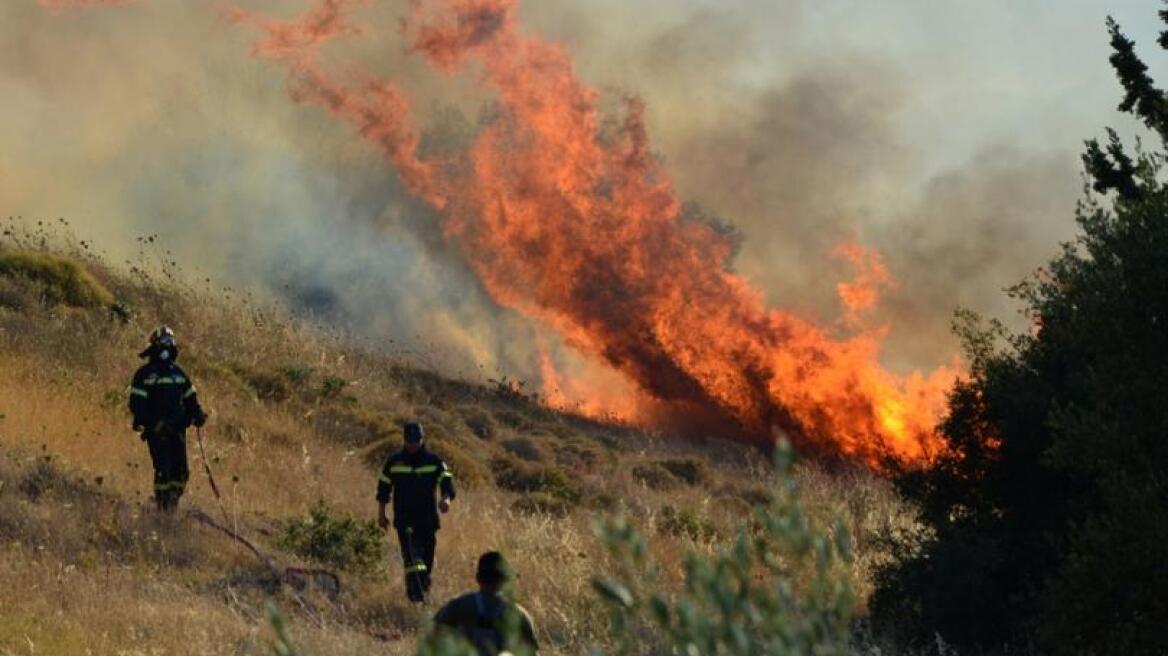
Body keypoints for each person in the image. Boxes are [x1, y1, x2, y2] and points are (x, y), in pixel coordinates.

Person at [127, 326, 207, 512]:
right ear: (154, 345)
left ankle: (172, 504)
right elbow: (136, 404)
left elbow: (190, 398)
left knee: (181, 473)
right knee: (164, 470)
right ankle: (163, 508)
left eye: (170, 342)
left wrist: (197, 414)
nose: (166, 346)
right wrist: (148, 423)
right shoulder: (144, 375)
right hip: (157, 431)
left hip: (178, 430)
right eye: (163, 342)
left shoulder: (179, 374)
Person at [376, 422, 455, 603]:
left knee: (426, 562)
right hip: (405, 520)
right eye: (409, 441)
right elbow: (383, 489)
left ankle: (423, 592)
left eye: (416, 441)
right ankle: (415, 598)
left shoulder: (434, 462)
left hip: (428, 520)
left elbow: (447, 482)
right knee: (412, 559)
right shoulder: (394, 462)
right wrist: (382, 515)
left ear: (422, 440)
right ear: (404, 440)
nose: (412, 445)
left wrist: (446, 499)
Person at [432, 551, 539, 656]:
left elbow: (431, 637)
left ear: (478, 578)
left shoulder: (458, 606)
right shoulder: (517, 614)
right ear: (505, 581)